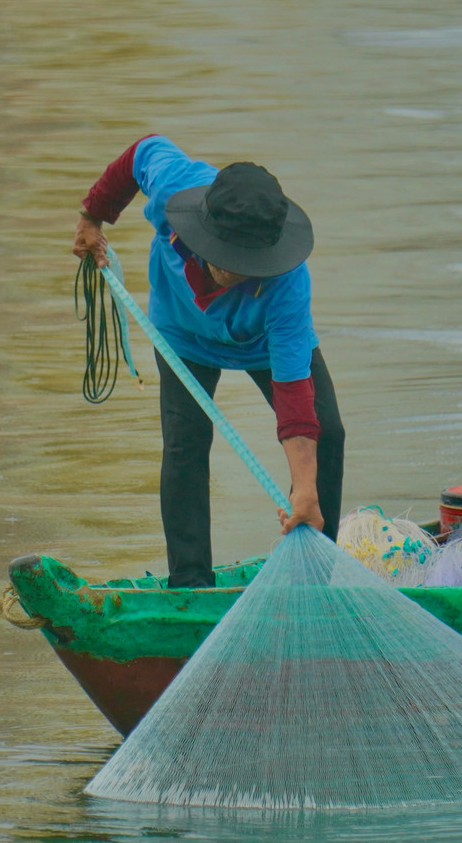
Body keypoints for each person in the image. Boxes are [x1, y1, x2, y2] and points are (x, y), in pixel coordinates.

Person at [72, 136, 345, 589]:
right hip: (181, 333)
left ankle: (317, 572)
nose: (235, 270)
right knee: (186, 443)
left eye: (248, 262)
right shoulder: (174, 186)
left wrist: (305, 490)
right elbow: (142, 152)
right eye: (227, 258)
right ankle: (190, 582)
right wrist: (92, 216)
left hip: (260, 342)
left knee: (327, 432)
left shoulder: (288, 285)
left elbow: (295, 394)